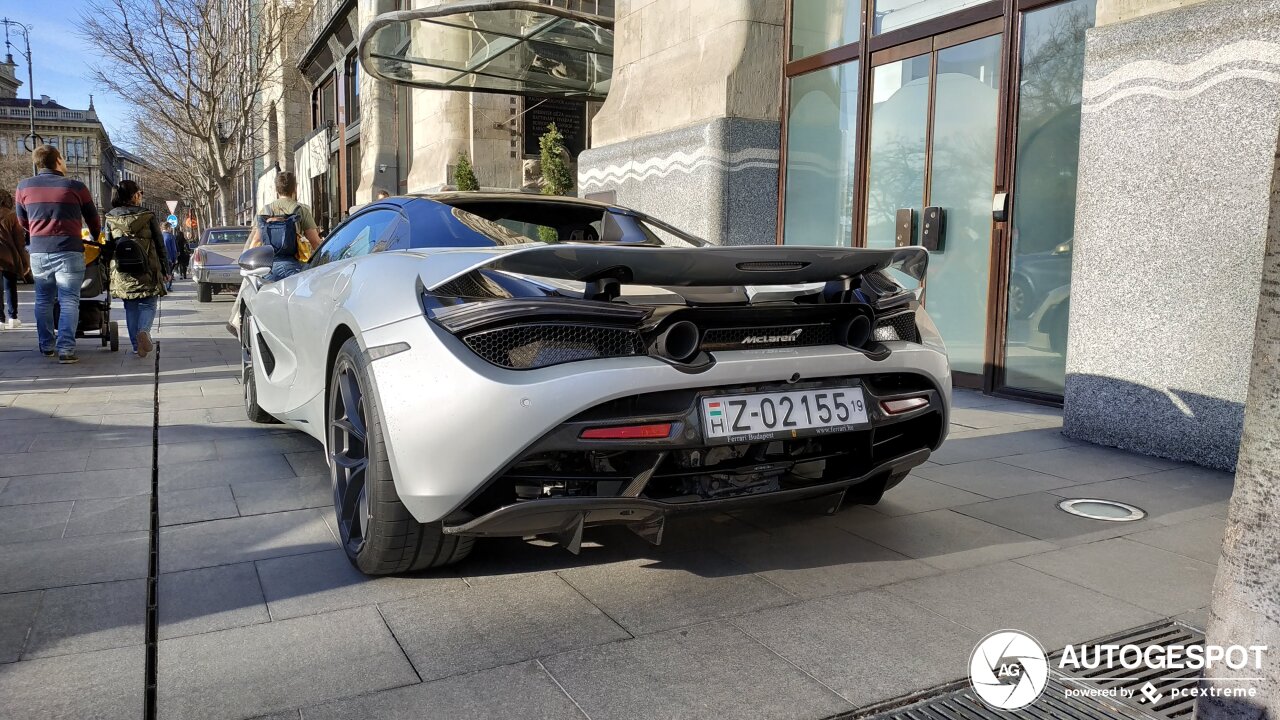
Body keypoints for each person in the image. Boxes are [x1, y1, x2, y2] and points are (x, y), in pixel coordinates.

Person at [15, 145, 100, 363]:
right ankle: (66, 350)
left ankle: (46, 346)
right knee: (69, 299)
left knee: (43, 299)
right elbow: (93, 218)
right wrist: (95, 236)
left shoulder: (23, 187)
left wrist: (36, 232)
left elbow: (22, 221)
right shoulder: (75, 186)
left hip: (39, 251)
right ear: (59, 161)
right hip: (69, 249)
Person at [103, 180, 169, 358]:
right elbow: (159, 244)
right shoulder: (147, 216)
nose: (141, 196)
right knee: (149, 303)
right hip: (148, 269)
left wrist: (105, 271)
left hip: (123, 270)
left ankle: (135, 345)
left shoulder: (110, 218)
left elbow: (107, 247)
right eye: (140, 193)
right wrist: (166, 268)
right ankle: (144, 332)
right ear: (134, 196)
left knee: (130, 307)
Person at [246, 171, 321, 281]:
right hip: (293, 267)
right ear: (295, 188)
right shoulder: (301, 210)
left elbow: (255, 242)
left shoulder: (265, 210)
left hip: (269, 268)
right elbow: (315, 241)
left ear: (276, 189)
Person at [0, 189, 29, 329]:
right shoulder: (12, 217)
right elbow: (20, 242)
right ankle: (13, 317)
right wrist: (25, 262)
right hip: (9, 258)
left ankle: (0, 320)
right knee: (10, 287)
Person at [161, 222, 177, 290]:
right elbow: (173, 249)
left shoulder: (159, 236)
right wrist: (174, 259)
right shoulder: (170, 236)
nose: (171, 229)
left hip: (160, 258)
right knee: (169, 272)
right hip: (169, 257)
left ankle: (162, 286)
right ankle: (168, 286)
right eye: (170, 228)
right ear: (168, 228)